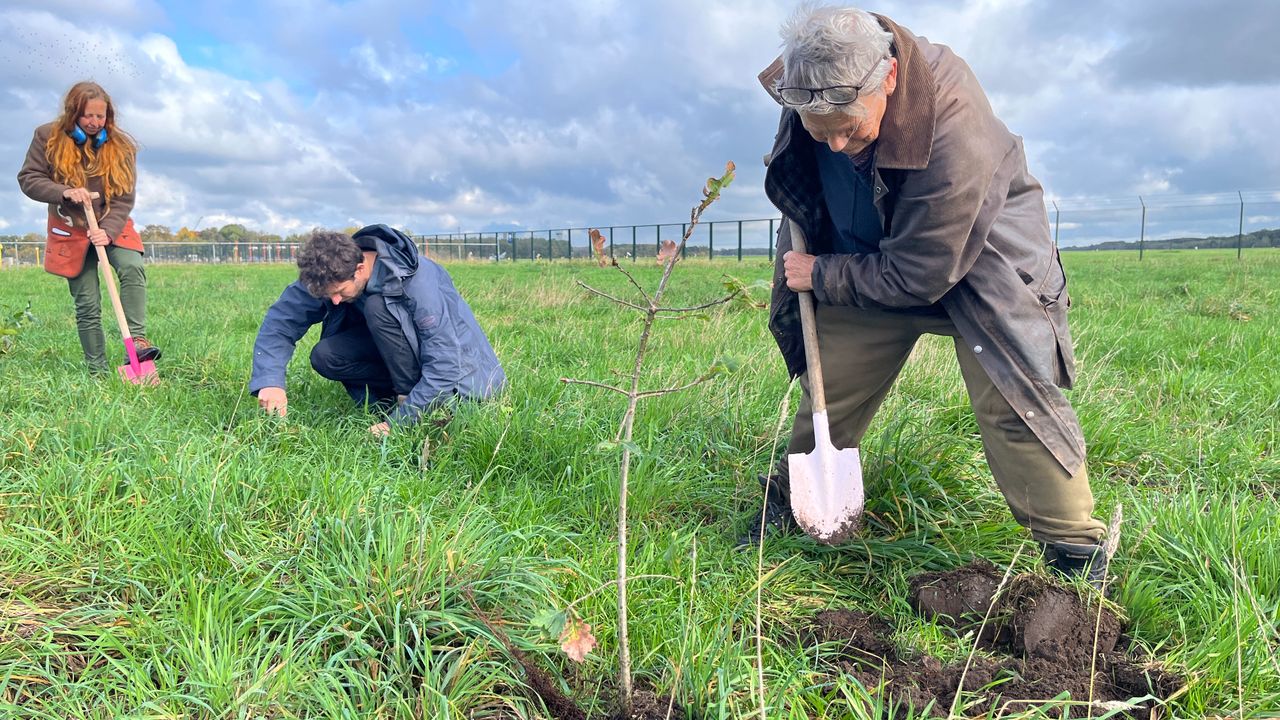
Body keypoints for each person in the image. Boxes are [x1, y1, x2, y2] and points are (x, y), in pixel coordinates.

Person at [745, 6, 1108, 586]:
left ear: (888, 78)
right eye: (819, 130)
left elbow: (919, 274)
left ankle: (1075, 555)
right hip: (863, 259)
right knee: (830, 383)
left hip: (978, 266)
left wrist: (822, 274)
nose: (835, 144)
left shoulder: (954, 125)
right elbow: (817, 158)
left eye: (850, 128)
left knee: (1014, 400)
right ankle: (795, 500)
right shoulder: (810, 82)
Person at [250, 225, 505, 435]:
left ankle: (410, 402)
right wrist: (270, 381)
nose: (334, 301)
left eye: (339, 292)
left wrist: (401, 422)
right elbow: (281, 321)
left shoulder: (417, 282)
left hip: (462, 376)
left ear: (360, 269)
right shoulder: (329, 273)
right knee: (325, 356)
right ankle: (388, 401)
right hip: (399, 354)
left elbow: (446, 361)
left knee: (377, 307)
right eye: (329, 295)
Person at [17, 81, 160, 374]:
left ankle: (137, 341)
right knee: (87, 302)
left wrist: (107, 230)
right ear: (73, 114)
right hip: (70, 228)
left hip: (112, 223)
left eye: (100, 116)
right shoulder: (46, 136)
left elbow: (124, 198)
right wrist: (64, 191)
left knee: (131, 266)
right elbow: (29, 178)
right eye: (88, 116)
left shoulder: (122, 146)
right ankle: (97, 370)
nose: (95, 122)